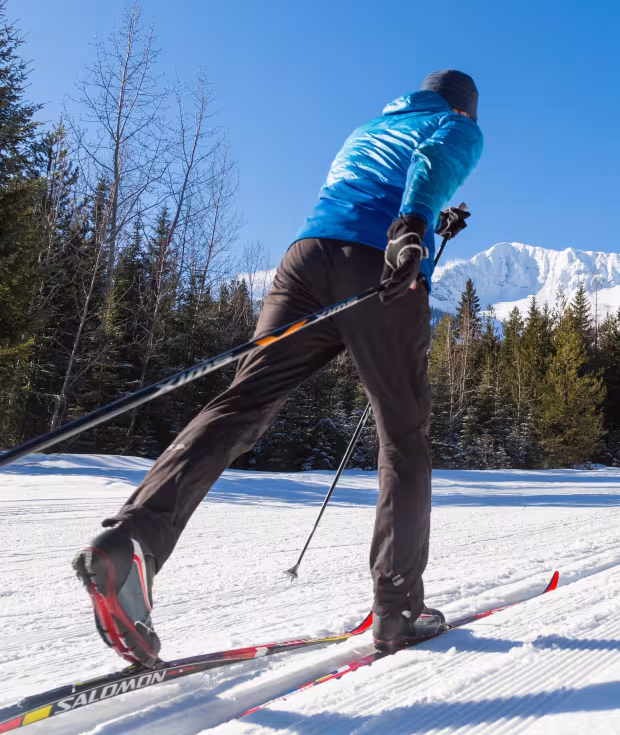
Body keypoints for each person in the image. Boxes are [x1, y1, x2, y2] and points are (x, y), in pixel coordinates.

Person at [73, 69, 483, 665]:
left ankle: (132, 538)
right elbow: (433, 160)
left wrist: (427, 220)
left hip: (304, 259)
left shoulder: (372, 126)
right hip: (378, 265)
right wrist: (415, 224)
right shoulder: (457, 126)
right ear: (465, 109)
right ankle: (399, 609)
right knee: (403, 434)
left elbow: (379, 181)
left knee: (243, 402)